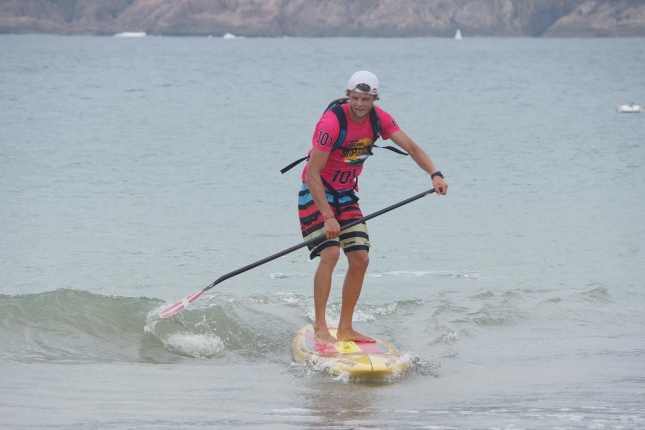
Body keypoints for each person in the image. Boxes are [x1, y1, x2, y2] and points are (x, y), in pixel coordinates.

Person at [298, 71, 448, 344]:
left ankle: (345, 328)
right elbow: (311, 173)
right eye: (354, 98)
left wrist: (434, 173)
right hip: (317, 193)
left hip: (346, 194)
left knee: (360, 258)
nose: (359, 104)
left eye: (365, 99)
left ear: (374, 98)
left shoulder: (380, 119)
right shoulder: (331, 123)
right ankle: (321, 326)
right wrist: (328, 217)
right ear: (348, 96)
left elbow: (412, 148)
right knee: (330, 254)